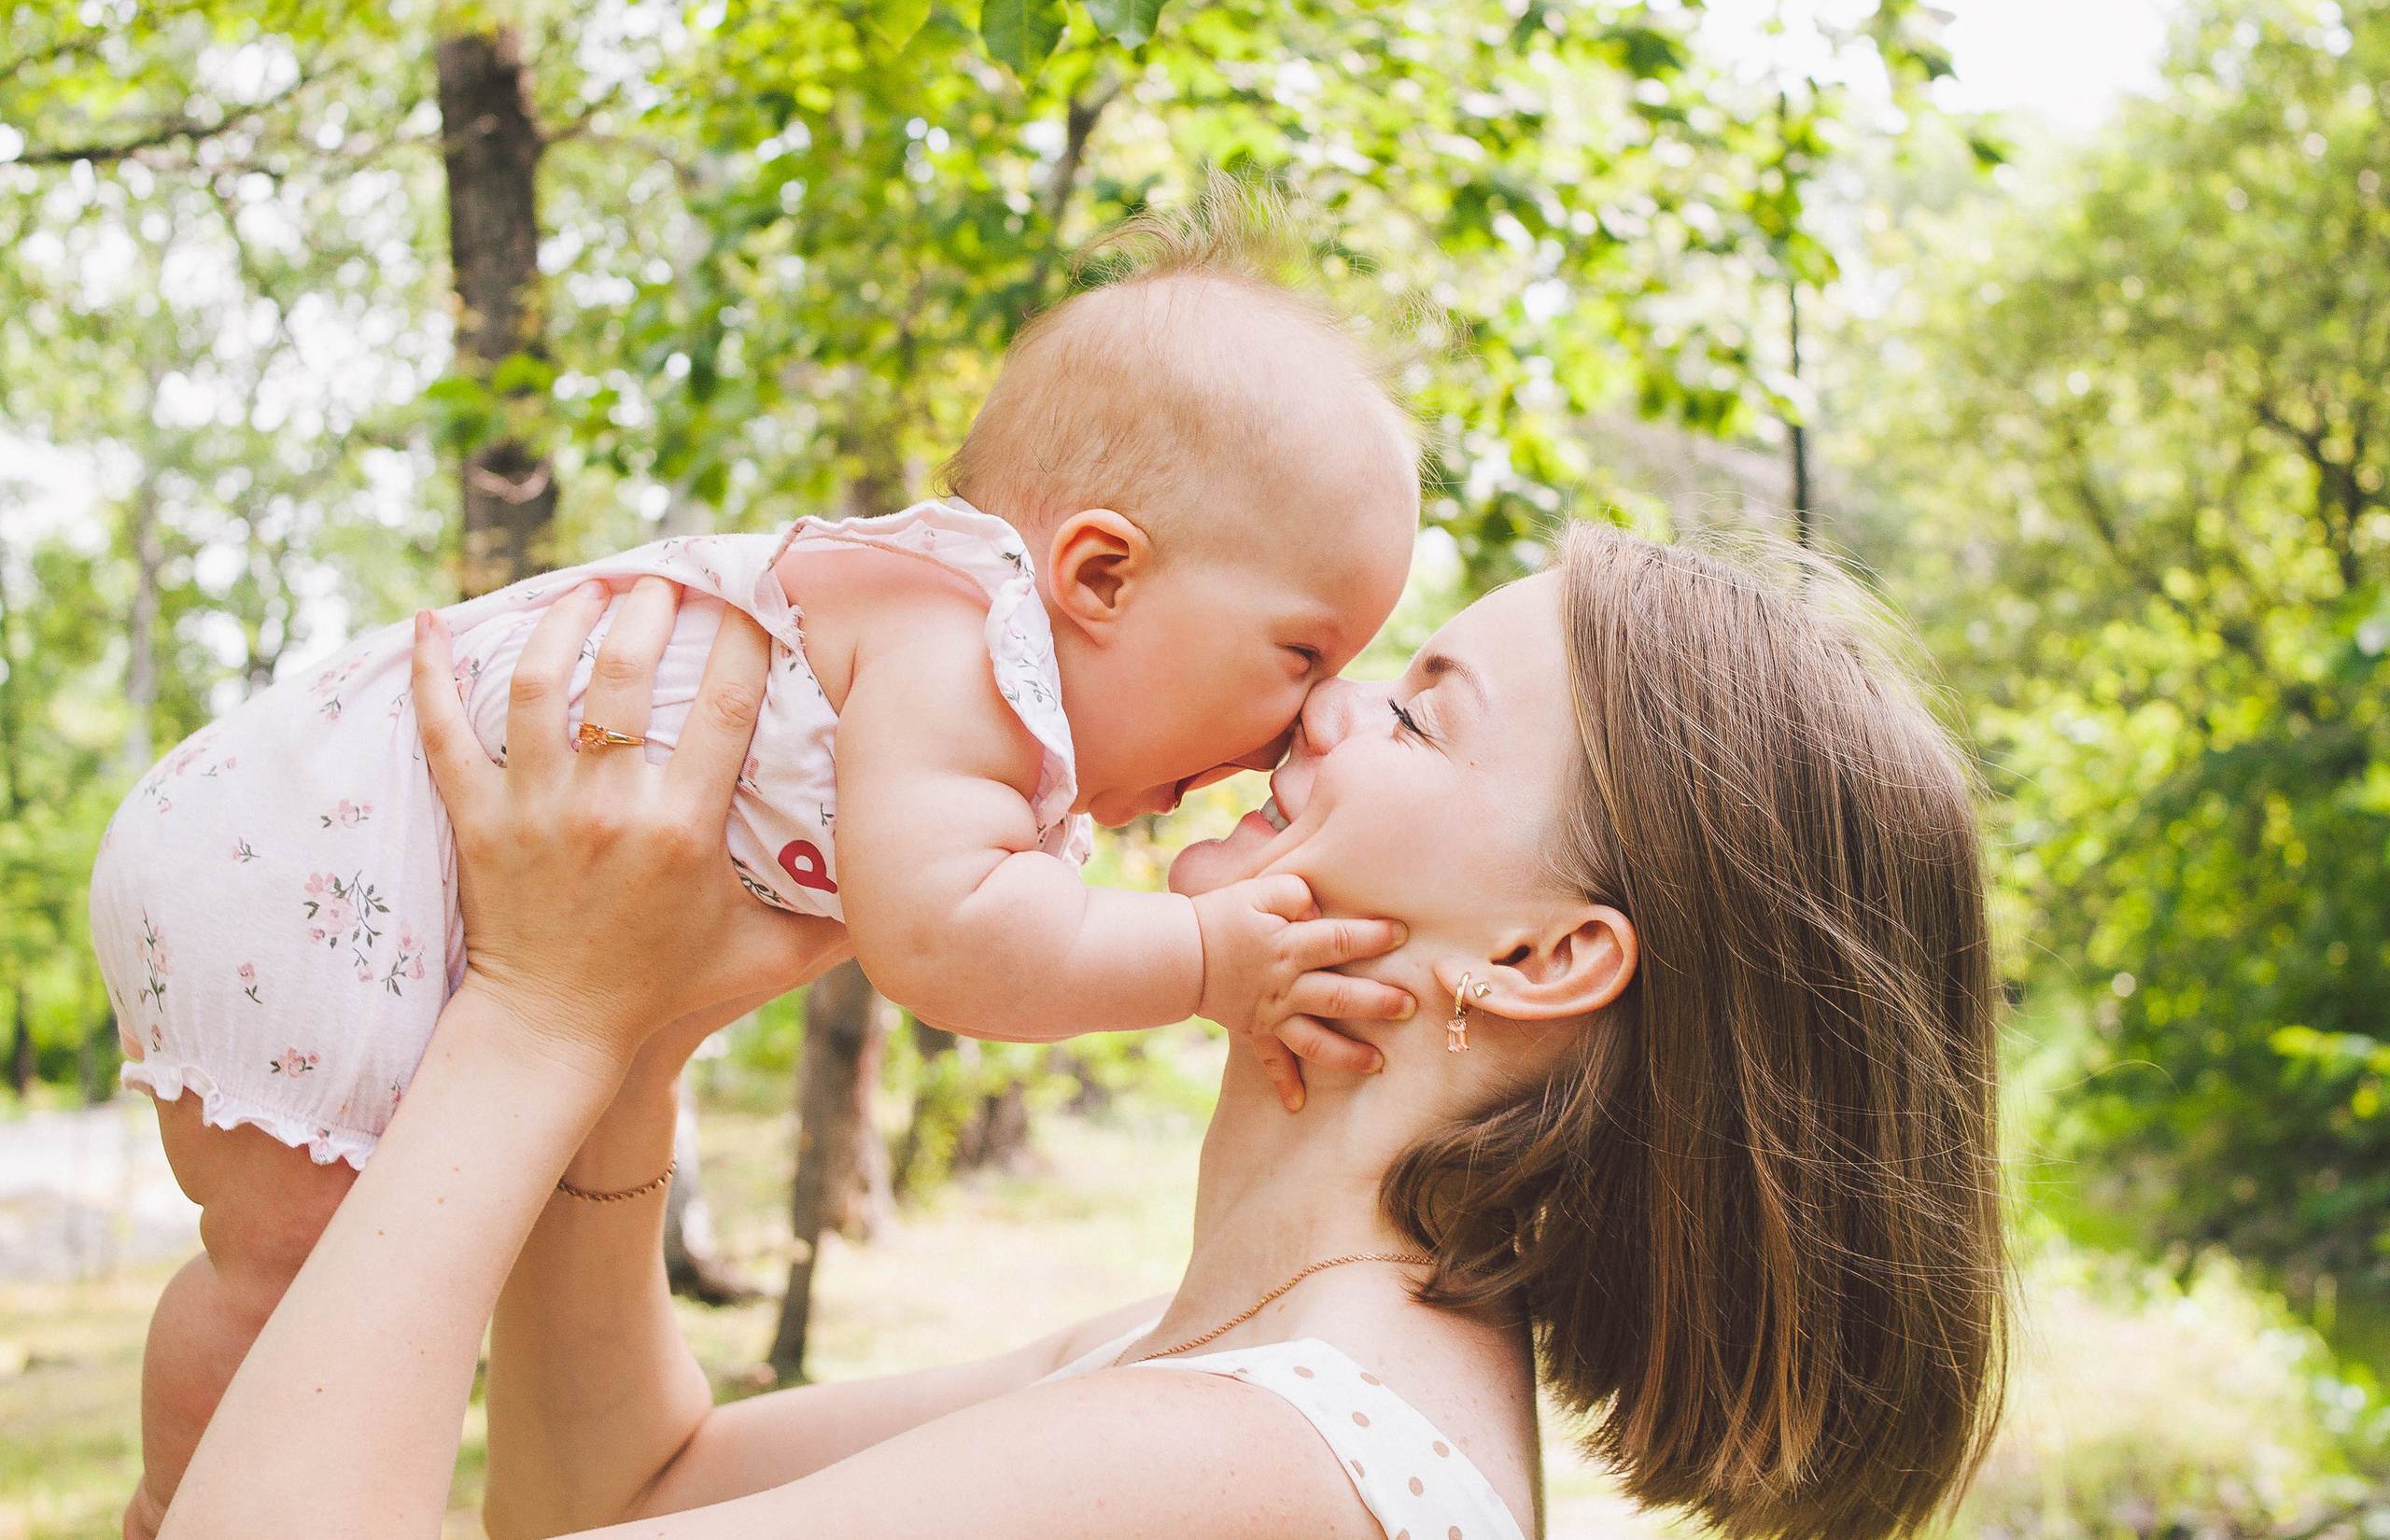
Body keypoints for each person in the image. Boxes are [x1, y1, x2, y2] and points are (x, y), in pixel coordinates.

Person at [155, 519, 2006, 1540]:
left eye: (1421, 718)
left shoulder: (1249, 1461)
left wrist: (534, 1014)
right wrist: (634, 1034)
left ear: (1539, 956)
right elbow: (609, 1490)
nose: (1318, 715)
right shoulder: (1194, 1361)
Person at [93, 199, 1425, 1539]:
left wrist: (619, 1033)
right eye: (1303, 656)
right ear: (1100, 575)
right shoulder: (962, 647)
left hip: (312, 841)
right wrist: (1204, 962)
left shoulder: (953, 652)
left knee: (294, 1265)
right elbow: (952, 941)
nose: (1310, 720)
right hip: (326, 847)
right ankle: (174, 1508)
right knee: (295, 1267)